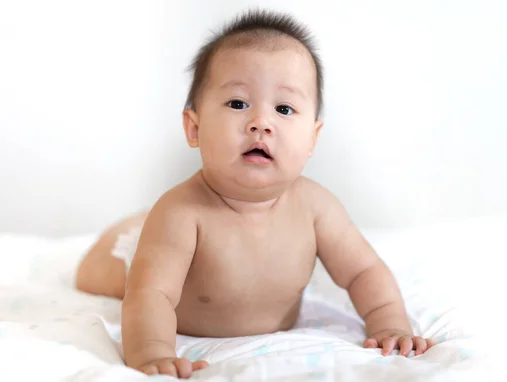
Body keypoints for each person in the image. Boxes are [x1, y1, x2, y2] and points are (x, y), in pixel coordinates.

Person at [76, 9, 434, 379]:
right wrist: (152, 352)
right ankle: (129, 233)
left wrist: (389, 323)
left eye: (284, 108)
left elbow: (363, 271)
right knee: (100, 273)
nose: (260, 123)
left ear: (312, 138)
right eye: (237, 104)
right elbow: (151, 295)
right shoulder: (181, 212)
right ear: (194, 128)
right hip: (145, 259)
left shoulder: (316, 207)